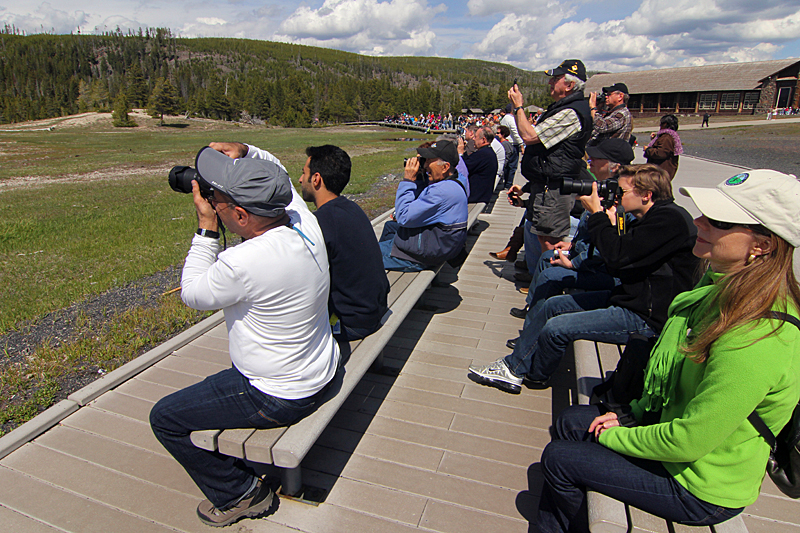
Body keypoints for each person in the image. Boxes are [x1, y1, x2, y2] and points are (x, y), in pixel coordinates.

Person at [537, 169, 800, 532]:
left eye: (718, 221)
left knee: (560, 459)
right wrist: (634, 413)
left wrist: (618, 434)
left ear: (763, 245)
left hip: (702, 486)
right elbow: (675, 380)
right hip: (676, 438)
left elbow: (689, 441)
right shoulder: (717, 289)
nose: (697, 222)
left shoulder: (759, 333)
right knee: (571, 422)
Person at [150, 143, 339, 527]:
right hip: (322, 368)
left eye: (215, 197)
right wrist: (246, 151)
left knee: (165, 418)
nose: (210, 200)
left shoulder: (241, 262)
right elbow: (281, 173)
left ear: (238, 213)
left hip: (277, 394)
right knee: (205, 391)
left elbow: (193, 293)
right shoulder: (304, 223)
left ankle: (240, 492)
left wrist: (206, 229)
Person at [468, 164, 699, 393]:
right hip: (628, 298)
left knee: (556, 328)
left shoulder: (668, 220)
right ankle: (515, 366)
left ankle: (530, 375)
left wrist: (598, 215)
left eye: (622, 192)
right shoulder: (651, 217)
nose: (616, 196)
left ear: (647, 195)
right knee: (552, 306)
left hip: (644, 318)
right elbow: (620, 259)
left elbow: (616, 257)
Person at [508, 138, 635, 329]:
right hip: (589, 257)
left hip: (601, 270)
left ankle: (533, 330)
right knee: (547, 259)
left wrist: (574, 261)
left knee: (551, 275)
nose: (590, 161)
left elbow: (612, 247)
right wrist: (572, 246)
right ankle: (533, 313)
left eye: (596, 158)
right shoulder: (603, 187)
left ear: (614, 166)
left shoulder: (621, 202)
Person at [298, 144, 390, 346]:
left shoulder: (322, 222)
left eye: (303, 173)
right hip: (374, 307)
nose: (300, 179)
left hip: (353, 321)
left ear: (316, 179)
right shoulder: (349, 207)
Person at [507, 59, 593, 272]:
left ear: (569, 85)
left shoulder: (571, 112)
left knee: (550, 242)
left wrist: (518, 106)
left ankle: (549, 286)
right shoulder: (566, 108)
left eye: (555, 79)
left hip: (554, 188)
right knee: (542, 234)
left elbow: (529, 135)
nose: (550, 83)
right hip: (547, 185)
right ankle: (540, 281)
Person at [378, 140, 469, 271]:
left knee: (365, 253)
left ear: (445, 167)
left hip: (426, 256)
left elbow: (404, 217)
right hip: (442, 244)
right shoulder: (458, 179)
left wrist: (408, 181)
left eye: (428, 161)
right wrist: (421, 178)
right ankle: (384, 260)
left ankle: (381, 262)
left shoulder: (441, 191)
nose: (425, 165)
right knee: (390, 227)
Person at [461, 126, 499, 204]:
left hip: (475, 198)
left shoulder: (483, 154)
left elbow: (462, 168)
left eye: (475, 137)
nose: (473, 139)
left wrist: (460, 153)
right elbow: (469, 162)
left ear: (483, 140)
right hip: (481, 196)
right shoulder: (488, 152)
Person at [645, 114, 683, 180]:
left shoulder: (666, 137)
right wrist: (655, 139)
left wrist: (648, 149)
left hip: (660, 171)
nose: (660, 125)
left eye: (661, 123)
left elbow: (661, 153)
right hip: (663, 170)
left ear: (665, 124)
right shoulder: (670, 135)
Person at [500, 103, 524, 188]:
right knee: (512, 166)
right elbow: (515, 132)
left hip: (505, 142)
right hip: (513, 143)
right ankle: (509, 184)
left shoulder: (503, 119)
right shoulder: (511, 119)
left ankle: (505, 182)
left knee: (506, 164)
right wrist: (521, 144)